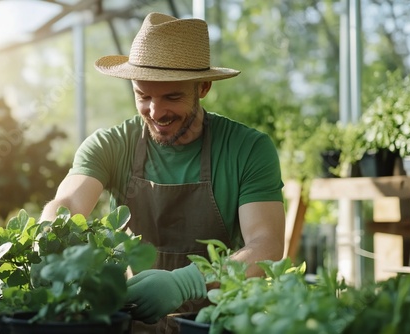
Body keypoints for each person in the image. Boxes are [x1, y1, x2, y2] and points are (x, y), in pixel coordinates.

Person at [39, 12, 285, 333]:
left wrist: (187, 283)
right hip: (134, 319)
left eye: (171, 96)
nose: (156, 112)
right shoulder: (111, 145)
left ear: (204, 87)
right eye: (143, 96)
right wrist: (46, 237)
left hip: (216, 320)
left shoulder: (247, 148)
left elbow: (266, 243)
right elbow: (69, 205)